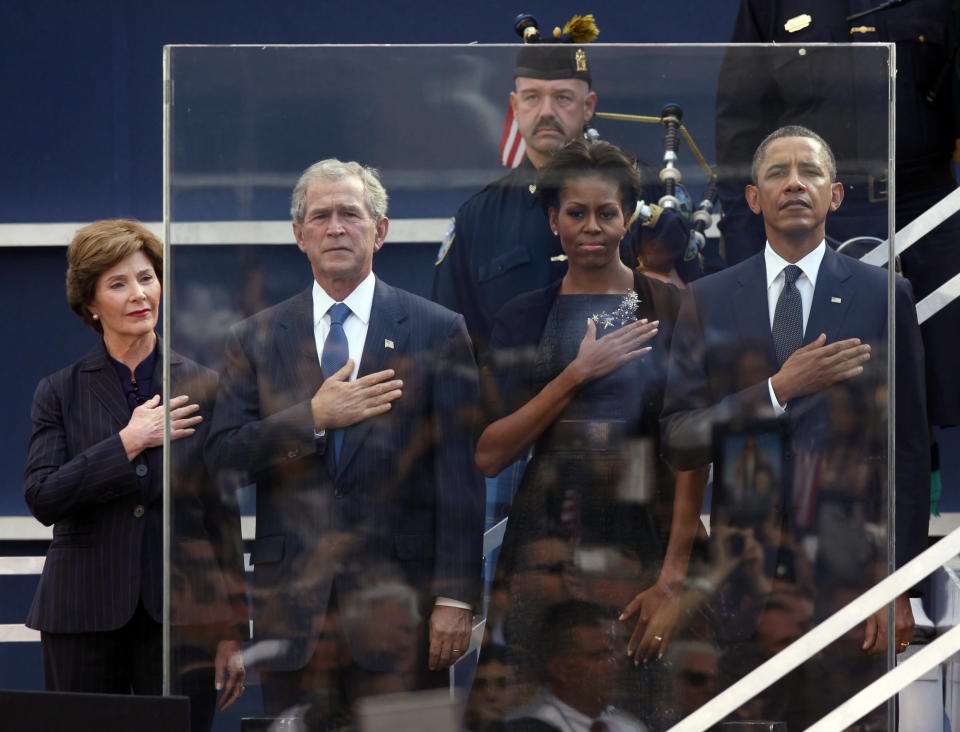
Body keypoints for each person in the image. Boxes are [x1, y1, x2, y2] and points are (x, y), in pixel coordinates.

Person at [661, 127, 930, 724]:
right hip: (740, 595)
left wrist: (900, 587)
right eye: (777, 173)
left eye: (809, 172)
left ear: (835, 195)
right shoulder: (705, 301)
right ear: (754, 198)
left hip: (853, 593)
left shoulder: (885, 295)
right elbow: (679, 440)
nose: (793, 184)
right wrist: (777, 391)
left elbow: (908, 453)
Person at [205, 159, 484, 726]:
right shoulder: (254, 337)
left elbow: (460, 476)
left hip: (403, 615)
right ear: (299, 235)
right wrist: (311, 417)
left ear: (379, 231)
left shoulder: (438, 330)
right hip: (294, 619)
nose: (336, 227)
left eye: (350, 214)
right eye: (321, 216)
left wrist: (456, 599)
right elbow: (222, 459)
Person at [470, 139, 705, 676]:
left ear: (628, 220)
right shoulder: (522, 317)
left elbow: (695, 451)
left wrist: (671, 580)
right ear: (554, 220)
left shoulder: (673, 306)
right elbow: (489, 454)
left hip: (649, 537)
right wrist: (576, 374)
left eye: (607, 213)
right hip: (545, 539)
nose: (592, 226)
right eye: (576, 213)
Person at [23, 219, 247, 732]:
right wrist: (128, 441)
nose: (139, 294)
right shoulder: (59, 392)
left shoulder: (206, 386)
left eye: (147, 278)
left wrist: (233, 630)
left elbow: (223, 517)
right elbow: (42, 496)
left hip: (181, 616)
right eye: (118, 283)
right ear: (91, 303)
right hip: (81, 612)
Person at [715, 0, 960, 428]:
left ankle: (923, 497)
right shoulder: (769, 5)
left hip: (926, 220)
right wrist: (747, 266)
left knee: (920, 403)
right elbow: (740, 135)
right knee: (821, 403)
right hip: (814, 225)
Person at [505, 600, 648, 732]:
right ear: (560, 669)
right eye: (599, 656)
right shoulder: (529, 727)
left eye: (613, 653)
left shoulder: (627, 726)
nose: (614, 664)